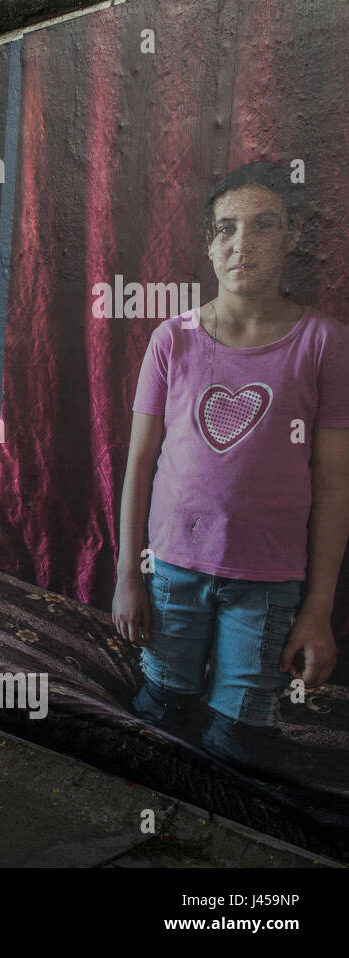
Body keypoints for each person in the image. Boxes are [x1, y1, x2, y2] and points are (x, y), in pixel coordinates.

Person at [111, 161, 349, 773]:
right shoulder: (173, 339)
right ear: (209, 244)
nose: (243, 244)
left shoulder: (324, 343)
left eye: (264, 226)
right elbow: (140, 461)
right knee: (160, 711)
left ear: (293, 236)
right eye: (227, 229)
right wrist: (128, 576)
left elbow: (333, 481)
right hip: (171, 575)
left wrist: (317, 610)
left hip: (267, 585)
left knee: (237, 742)